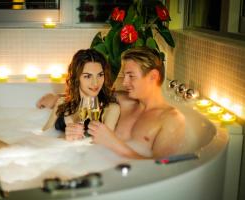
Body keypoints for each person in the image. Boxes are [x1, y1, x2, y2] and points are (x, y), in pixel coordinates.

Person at [0, 49, 120, 172]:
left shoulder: (110, 108)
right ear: (76, 79)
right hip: (46, 153)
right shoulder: (62, 103)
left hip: (66, 159)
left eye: (100, 75)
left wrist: (72, 140)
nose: (95, 83)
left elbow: (103, 146)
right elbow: (44, 132)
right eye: (87, 76)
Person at [37, 47, 186, 159]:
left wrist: (113, 143)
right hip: (100, 165)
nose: (125, 82)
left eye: (131, 76)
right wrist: (56, 98)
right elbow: (87, 94)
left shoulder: (171, 120)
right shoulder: (123, 100)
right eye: (124, 75)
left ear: (153, 76)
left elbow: (162, 169)